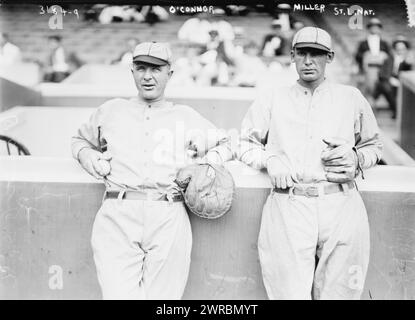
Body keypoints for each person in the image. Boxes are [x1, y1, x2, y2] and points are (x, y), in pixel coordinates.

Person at [71, 42, 232, 299]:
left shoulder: (185, 116)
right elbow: (79, 141)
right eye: (141, 68)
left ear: (170, 74)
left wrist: (203, 164)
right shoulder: (111, 110)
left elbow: (226, 143)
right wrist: (87, 154)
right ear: (132, 71)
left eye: (156, 69)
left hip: (168, 212)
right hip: (118, 212)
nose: (148, 76)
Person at [238, 27, 382, 299]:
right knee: (288, 294)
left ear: (330, 57)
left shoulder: (350, 97)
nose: (308, 61)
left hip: (340, 201)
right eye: (302, 53)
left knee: (340, 294)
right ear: (291, 56)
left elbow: (373, 145)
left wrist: (356, 158)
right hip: (289, 202)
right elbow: (244, 144)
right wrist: (270, 160)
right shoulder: (272, 97)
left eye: (316, 54)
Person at [375, 35, 414, 119]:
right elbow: (381, 74)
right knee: (386, 86)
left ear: (406, 49)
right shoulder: (389, 59)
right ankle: (397, 112)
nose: (400, 51)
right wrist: (390, 79)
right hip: (388, 82)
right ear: (395, 49)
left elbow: (409, 74)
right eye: (398, 49)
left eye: (402, 49)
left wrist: (399, 81)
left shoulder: (408, 61)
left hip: (402, 83)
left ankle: (397, 112)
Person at [355, 18, 391, 104]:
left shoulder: (384, 43)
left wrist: (383, 55)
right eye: (372, 27)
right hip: (369, 69)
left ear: (380, 29)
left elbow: (390, 56)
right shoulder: (363, 43)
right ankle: (370, 109)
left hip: (382, 70)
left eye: (377, 27)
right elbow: (357, 56)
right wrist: (366, 55)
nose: (375, 29)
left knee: (383, 89)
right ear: (369, 28)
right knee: (369, 89)